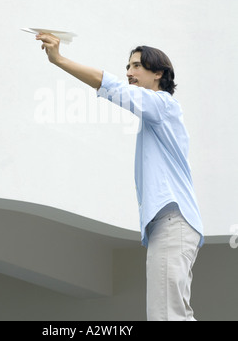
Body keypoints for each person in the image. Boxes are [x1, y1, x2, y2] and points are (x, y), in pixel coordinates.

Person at [35, 32, 204, 321]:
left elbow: (110, 85)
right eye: (127, 66)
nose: (128, 72)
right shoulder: (157, 117)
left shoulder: (163, 105)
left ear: (158, 74)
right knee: (173, 314)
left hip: (172, 220)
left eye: (136, 66)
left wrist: (59, 60)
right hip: (173, 224)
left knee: (166, 315)